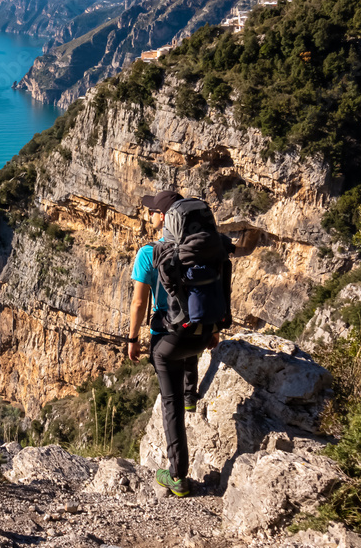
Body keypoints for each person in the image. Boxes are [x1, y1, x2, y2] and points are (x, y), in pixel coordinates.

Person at [127, 189, 220, 497]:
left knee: (171, 404)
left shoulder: (149, 253)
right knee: (185, 348)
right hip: (203, 332)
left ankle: (177, 475)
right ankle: (191, 395)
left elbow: (139, 303)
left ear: (165, 218)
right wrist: (214, 329)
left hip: (167, 339)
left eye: (153, 212)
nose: (148, 216)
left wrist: (131, 339)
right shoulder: (201, 250)